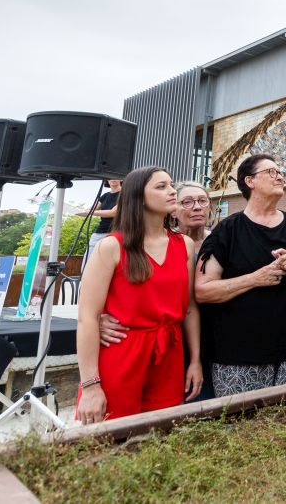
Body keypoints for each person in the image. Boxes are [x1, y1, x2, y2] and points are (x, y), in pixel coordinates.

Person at [75, 167, 202, 424]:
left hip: (169, 355)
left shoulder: (184, 245)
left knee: (159, 441)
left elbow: (189, 308)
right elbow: (87, 317)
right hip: (122, 352)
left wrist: (195, 361)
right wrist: (89, 386)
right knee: (110, 440)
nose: (171, 191)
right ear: (138, 197)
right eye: (161, 186)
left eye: (171, 185)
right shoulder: (111, 247)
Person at [195, 154, 286, 396]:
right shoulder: (227, 231)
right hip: (239, 355)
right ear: (250, 181)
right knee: (242, 427)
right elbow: (202, 290)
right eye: (271, 171)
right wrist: (255, 278)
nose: (279, 176)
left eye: (280, 172)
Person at [98, 180, 216, 401]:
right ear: (174, 209)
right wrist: (100, 318)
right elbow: (108, 292)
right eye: (188, 202)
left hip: (211, 336)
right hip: (165, 339)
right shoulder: (136, 244)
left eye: (202, 201)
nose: (197, 207)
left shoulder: (223, 240)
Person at [81, 178, 122, 269]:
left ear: (121, 179)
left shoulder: (125, 194)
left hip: (116, 232)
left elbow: (113, 213)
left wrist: (91, 212)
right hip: (100, 232)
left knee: (110, 263)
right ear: (106, 180)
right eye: (110, 177)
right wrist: (85, 210)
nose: (113, 179)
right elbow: (93, 208)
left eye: (115, 176)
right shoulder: (105, 196)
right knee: (86, 264)